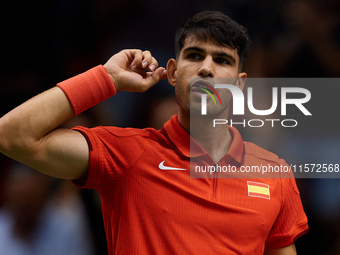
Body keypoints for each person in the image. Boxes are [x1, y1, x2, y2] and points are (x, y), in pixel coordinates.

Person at [0, 11, 308, 254]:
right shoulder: (126, 155)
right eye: (195, 55)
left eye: (222, 60)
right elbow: (11, 136)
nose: (206, 69)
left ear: (239, 84)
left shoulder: (274, 174)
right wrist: (106, 78)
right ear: (173, 73)